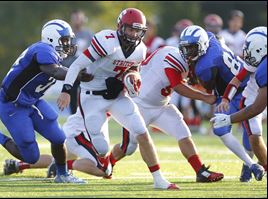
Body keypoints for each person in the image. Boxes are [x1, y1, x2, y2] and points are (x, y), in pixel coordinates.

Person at [57, 8, 179, 190]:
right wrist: (67, 90)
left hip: (118, 96)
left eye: (138, 30)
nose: (134, 34)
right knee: (101, 149)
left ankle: (159, 179)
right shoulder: (107, 41)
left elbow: (133, 71)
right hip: (92, 97)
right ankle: (74, 140)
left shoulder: (141, 50)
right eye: (131, 29)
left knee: (141, 132)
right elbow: (77, 64)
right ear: (120, 27)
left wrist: (132, 79)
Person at [0, 19, 93, 183]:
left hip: (32, 101)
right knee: (31, 156)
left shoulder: (53, 53)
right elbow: (54, 71)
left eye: (68, 40)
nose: (68, 44)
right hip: (12, 105)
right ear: (52, 39)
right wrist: (78, 75)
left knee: (58, 138)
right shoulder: (43, 50)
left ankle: (63, 175)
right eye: (64, 40)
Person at [107, 46, 224, 182]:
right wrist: (204, 97)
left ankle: (201, 172)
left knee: (183, 132)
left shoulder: (181, 57)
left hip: (161, 105)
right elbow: (178, 86)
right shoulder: (173, 58)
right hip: (139, 105)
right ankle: (107, 164)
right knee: (128, 147)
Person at [178, 25, 265, 182]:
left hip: (241, 90)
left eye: (191, 48)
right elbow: (219, 39)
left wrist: (194, 76)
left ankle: (250, 165)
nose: (187, 53)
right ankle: (251, 164)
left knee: (249, 132)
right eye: (185, 48)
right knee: (221, 129)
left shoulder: (205, 66)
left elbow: (208, 87)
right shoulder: (209, 37)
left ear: (202, 45)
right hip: (235, 84)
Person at [211, 26, 267, 182]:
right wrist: (226, 99)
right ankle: (252, 164)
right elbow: (237, 81)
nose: (246, 52)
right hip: (253, 99)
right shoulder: (258, 65)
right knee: (254, 136)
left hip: (260, 100)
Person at [3, 108, 112, 179]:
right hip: (79, 133)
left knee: (60, 157)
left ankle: (18, 165)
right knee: (104, 169)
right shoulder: (102, 86)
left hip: (74, 130)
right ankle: (62, 166)